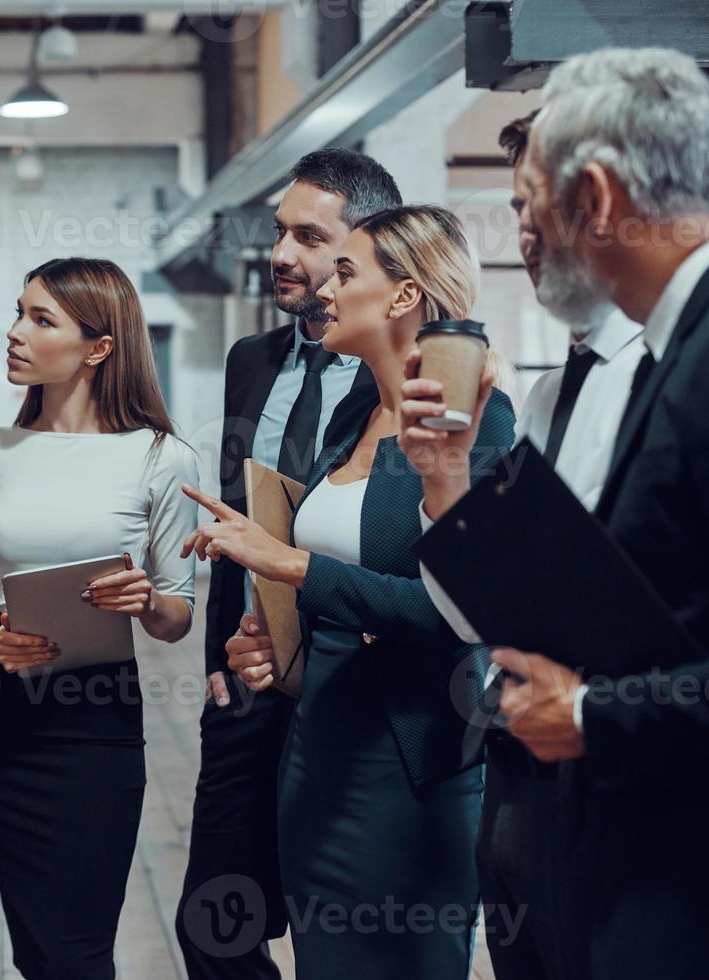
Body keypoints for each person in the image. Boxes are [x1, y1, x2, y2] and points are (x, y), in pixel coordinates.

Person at [438, 48, 709, 980]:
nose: (526, 223)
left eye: (534, 195)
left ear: (598, 197)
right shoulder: (684, 346)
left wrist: (591, 713)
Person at [181, 205, 515, 979]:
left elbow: (461, 613)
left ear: (402, 296)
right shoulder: (354, 413)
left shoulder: (476, 422)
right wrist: (273, 637)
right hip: (316, 750)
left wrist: (291, 567)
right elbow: (336, 582)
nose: (322, 291)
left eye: (344, 272)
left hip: (408, 766)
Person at [399, 111, 645, 980]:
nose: (526, 232)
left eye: (545, 206)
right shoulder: (544, 401)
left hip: (630, 787)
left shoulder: (680, 382)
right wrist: (442, 477)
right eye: (517, 207)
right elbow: (483, 617)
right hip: (521, 783)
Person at [0, 257, 199, 980]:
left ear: (99, 346)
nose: (15, 333)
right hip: (7, 712)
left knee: (78, 951)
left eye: (40, 319)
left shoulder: (162, 458)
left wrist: (144, 600)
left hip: (97, 718)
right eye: (20, 312)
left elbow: (177, 615)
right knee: (36, 950)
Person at [174, 148, 400, 979]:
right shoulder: (252, 360)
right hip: (243, 682)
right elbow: (237, 532)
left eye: (308, 236)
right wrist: (215, 667)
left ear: (365, 247)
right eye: (278, 233)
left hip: (348, 689)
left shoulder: (401, 381)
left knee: (331, 933)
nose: (279, 254)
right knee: (214, 928)